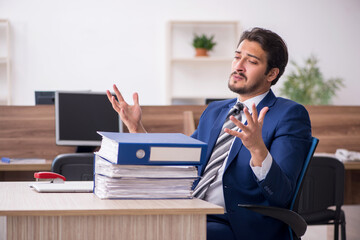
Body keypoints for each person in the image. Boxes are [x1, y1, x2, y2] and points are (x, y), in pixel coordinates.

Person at [106, 27, 312, 240]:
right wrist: (136, 128)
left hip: (238, 224)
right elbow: (181, 160)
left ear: (272, 73)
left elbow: (282, 195)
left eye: (251, 61)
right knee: (122, 224)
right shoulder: (215, 111)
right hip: (193, 210)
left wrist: (257, 149)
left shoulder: (288, 114)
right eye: (237, 57)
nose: (238, 66)